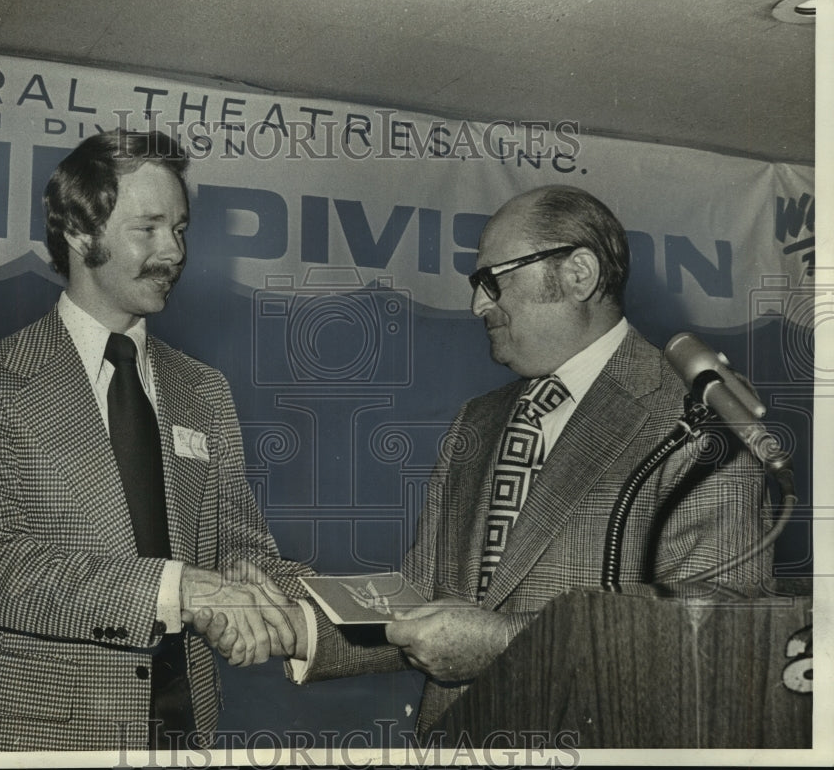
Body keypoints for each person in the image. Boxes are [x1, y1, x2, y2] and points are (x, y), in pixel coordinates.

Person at [194, 184, 771, 742]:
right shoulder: (479, 420)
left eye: (491, 281)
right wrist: (292, 626)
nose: (477, 304)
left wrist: (503, 642)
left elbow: (717, 631)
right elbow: (421, 598)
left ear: (578, 274)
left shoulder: (697, 422)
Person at [0, 129, 308, 752]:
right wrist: (179, 589)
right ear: (80, 233)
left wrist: (318, 602)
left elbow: (239, 546)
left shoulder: (205, 389)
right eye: (149, 228)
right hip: (36, 741)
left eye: (180, 229)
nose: (175, 252)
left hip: (186, 728)